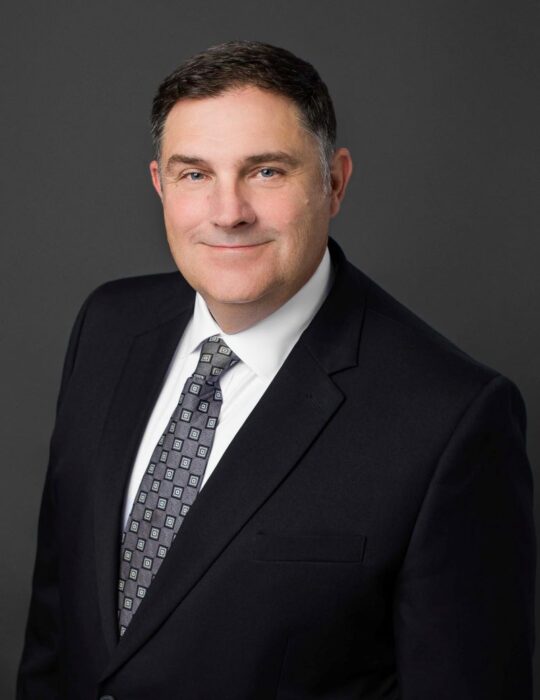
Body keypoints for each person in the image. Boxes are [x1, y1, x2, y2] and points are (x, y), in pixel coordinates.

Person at [17, 40, 535, 699]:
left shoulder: (452, 418)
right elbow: (55, 628)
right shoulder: (108, 327)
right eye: (194, 174)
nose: (228, 212)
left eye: (266, 172)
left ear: (335, 181)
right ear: (160, 184)